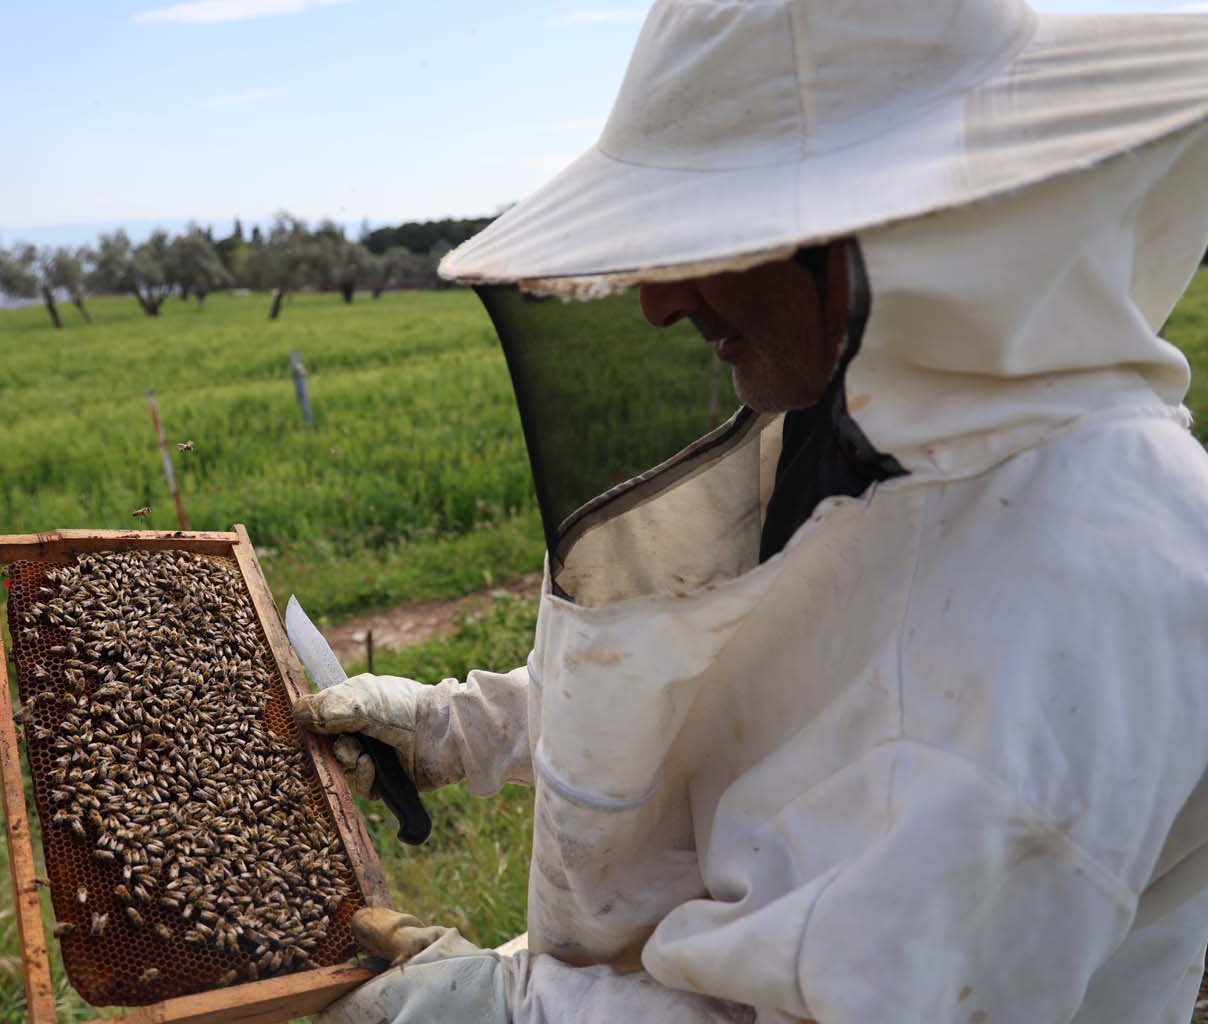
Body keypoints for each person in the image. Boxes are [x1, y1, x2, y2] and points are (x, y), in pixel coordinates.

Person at [293, 1, 1208, 1020]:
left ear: (893, 228)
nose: (657, 300)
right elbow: (726, 687)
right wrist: (458, 727)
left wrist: (489, 1011)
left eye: (715, 235)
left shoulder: (1086, 603)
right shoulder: (864, 424)